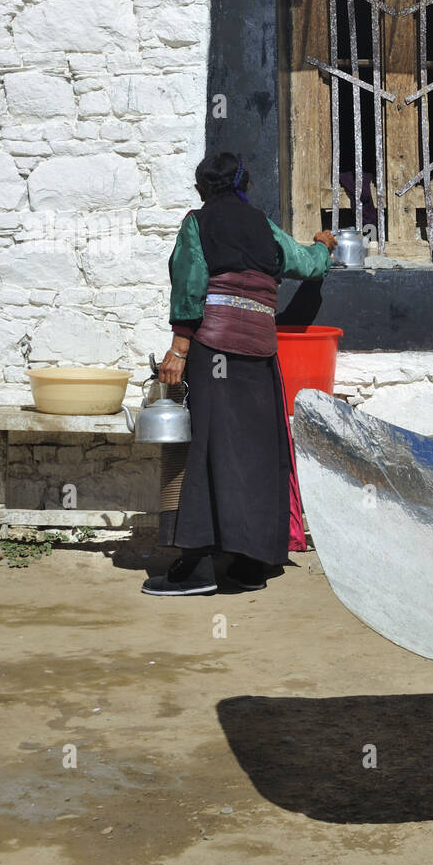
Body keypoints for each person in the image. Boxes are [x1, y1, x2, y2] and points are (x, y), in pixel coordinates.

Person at [142, 152, 338, 596]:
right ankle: (252, 566)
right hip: (261, 355)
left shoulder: (198, 222)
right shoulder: (263, 226)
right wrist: (324, 247)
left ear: (201, 190)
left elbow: (190, 284)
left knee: (207, 452)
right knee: (257, 454)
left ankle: (197, 567)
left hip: (214, 353)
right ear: (243, 186)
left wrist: (178, 348)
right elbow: (305, 264)